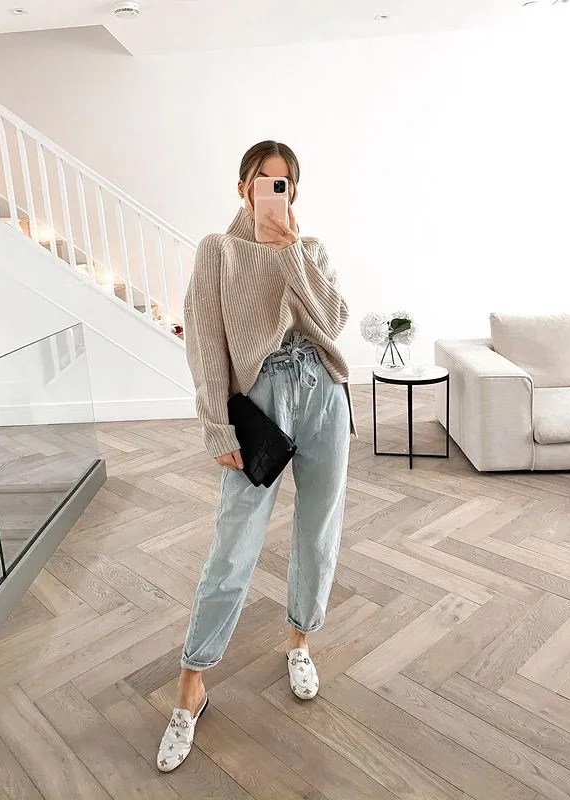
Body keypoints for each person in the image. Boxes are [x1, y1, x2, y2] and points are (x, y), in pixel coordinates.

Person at [157, 140, 354, 772]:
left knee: (318, 531)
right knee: (234, 543)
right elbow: (205, 343)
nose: (276, 192)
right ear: (243, 186)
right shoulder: (217, 251)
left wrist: (290, 252)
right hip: (261, 404)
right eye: (265, 181)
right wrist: (217, 429)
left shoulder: (310, 250)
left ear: (295, 190)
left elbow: (333, 322)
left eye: (285, 182)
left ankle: (300, 641)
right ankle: (192, 682)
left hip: (323, 394)